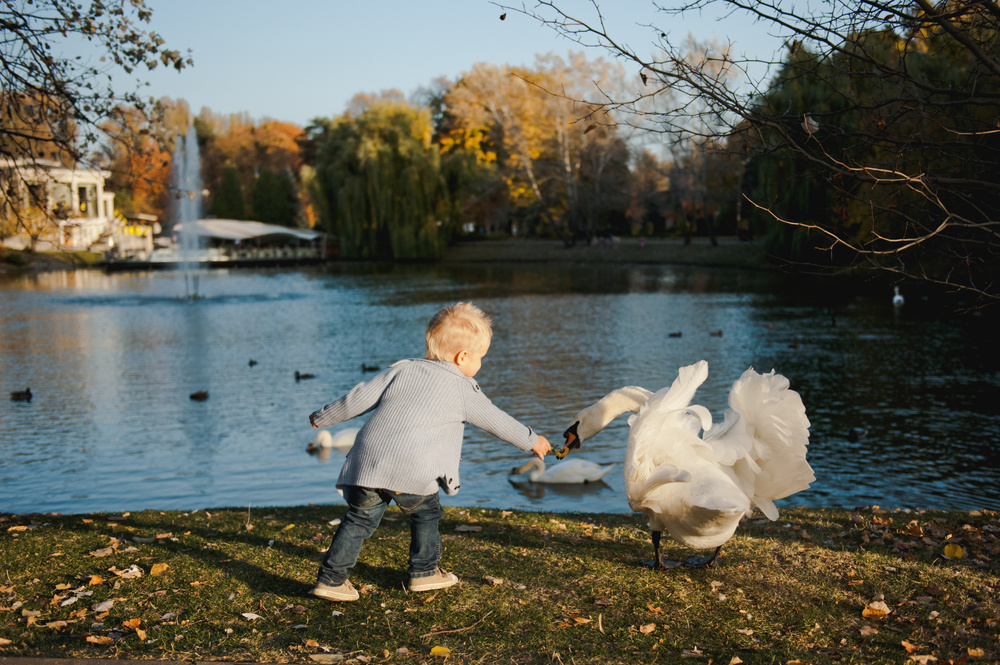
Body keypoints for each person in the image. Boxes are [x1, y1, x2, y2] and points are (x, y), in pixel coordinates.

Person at [307, 302, 552, 601]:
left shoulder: (402, 369)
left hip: (370, 463)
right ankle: (424, 572)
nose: (480, 365)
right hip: (414, 468)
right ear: (463, 357)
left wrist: (323, 416)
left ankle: (331, 580)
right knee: (426, 513)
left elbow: (357, 399)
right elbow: (497, 421)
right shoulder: (463, 388)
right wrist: (533, 440)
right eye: (480, 358)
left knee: (358, 520)